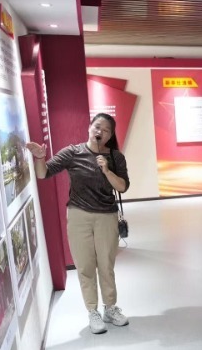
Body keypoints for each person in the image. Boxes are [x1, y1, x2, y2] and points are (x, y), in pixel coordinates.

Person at [27, 114, 130, 334]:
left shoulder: (115, 157)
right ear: (89, 127)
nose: (100, 132)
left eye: (106, 130)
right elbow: (43, 173)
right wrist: (40, 158)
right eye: (97, 126)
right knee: (85, 266)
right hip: (79, 216)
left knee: (106, 264)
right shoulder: (73, 152)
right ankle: (92, 311)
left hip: (106, 216)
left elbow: (122, 187)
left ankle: (110, 308)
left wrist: (107, 170)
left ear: (110, 135)